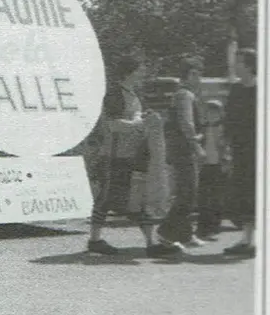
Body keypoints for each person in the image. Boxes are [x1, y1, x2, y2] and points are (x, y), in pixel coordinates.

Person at [89, 55, 182, 257]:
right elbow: (113, 125)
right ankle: (95, 240)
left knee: (136, 199)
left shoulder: (133, 95)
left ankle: (150, 244)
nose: (143, 73)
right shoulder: (115, 94)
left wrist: (144, 120)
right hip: (114, 156)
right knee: (106, 199)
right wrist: (141, 124)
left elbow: (134, 121)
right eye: (140, 69)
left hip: (131, 156)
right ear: (129, 72)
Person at [156, 55, 207, 250]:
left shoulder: (182, 94)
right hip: (184, 150)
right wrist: (197, 146)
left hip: (181, 149)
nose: (198, 78)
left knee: (188, 192)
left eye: (199, 74)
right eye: (196, 74)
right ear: (188, 74)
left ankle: (186, 234)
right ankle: (165, 233)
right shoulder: (185, 94)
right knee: (187, 193)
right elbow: (187, 123)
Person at [223, 47, 257, 258]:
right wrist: (225, 144)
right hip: (241, 150)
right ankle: (247, 240)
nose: (235, 65)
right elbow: (229, 119)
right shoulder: (236, 89)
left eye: (239, 62)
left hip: (259, 149)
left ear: (249, 65)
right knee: (245, 193)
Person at [196, 99, 229, 238]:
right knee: (203, 195)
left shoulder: (223, 128)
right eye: (209, 112)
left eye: (215, 113)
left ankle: (214, 225)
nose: (212, 115)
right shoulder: (203, 127)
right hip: (205, 164)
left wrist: (226, 162)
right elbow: (200, 138)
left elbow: (226, 147)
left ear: (220, 114)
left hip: (218, 165)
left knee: (217, 197)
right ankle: (203, 224)